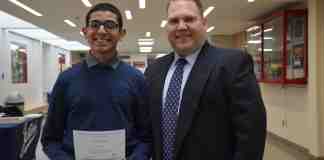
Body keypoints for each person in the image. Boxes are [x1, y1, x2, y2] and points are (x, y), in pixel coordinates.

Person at [144, 0, 267, 160]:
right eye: (174, 21)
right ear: (167, 27)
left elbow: (251, 134)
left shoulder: (233, 64)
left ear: (204, 23)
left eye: (189, 19)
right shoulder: (154, 70)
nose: (181, 26)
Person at [41, 3, 152, 160]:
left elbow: (146, 137)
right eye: (94, 25)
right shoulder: (66, 79)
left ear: (121, 33)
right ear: (85, 31)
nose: (101, 30)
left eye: (110, 25)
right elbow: (50, 139)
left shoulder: (136, 79)